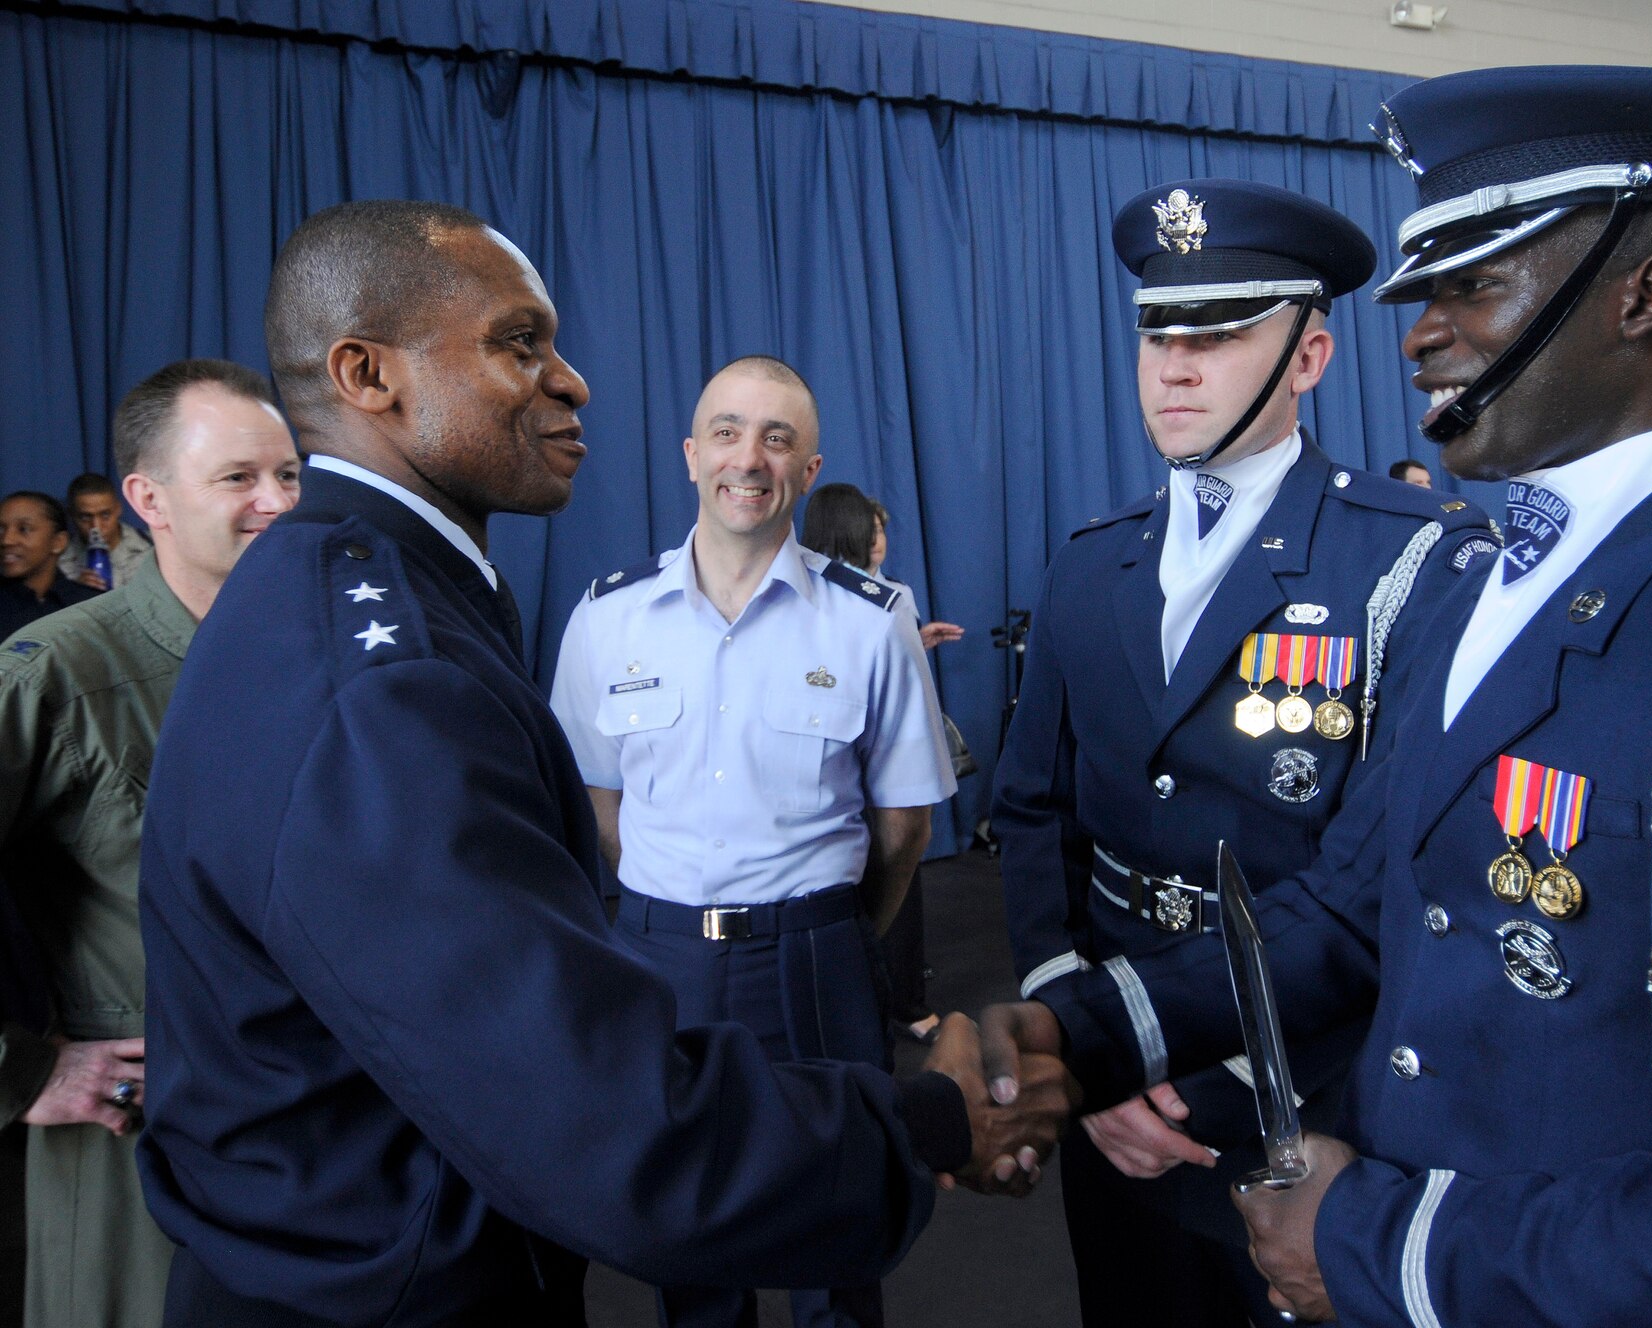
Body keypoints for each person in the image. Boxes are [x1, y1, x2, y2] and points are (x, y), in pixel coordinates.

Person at [982, 67, 1652, 1325]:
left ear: (1644, 294)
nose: (1414, 332)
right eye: (1420, 290)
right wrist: (1080, 1034)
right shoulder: (1476, 587)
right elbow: (1353, 911)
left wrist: (1377, 1244)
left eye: (1470, 284)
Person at [137, 200, 1074, 1327]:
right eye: (517, 342)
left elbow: (901, 824)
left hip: (775, 975)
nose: (571, 381)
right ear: (367, 375)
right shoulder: (391, 676)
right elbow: (604, 1126)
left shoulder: (334, 598)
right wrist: (932, 1120)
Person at [989, 177, 1497, 1327]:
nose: (1173, 365)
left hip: (1298, 1096)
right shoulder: (1088, 562)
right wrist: (1078, 1033)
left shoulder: (1410, 563)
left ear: (1308, 357)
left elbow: (1386, 882)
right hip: (1110, 1093)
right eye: (1157, 334)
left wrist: (1168, 1072)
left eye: (1216, 335)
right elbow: (1031, 811)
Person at [552, 364, 956, 1328]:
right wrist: (675, 910)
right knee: (688, 1238)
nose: (749, 458)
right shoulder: (607, 619)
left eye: (777, 439)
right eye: (727, 433)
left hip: (817, 960)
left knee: (840, 1222)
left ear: (808, 469)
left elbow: (905, 823)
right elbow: (599, 803)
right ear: (692, 456)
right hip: (664, 961)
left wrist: (840, 933)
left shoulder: (871, 620)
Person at [0, 359, 299, 1328]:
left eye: (290, 475)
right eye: (238, 478)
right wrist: (24, 1069)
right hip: (140, 1143)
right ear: (146, 498)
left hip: (317, 1139)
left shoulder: (328, 656)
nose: (276, 502)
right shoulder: (57, 672)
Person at [800, 483, 961, 1047]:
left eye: (883, 529)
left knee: (885, 868)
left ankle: (897, 995)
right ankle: (881, 995)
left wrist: (915, 640)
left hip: (858, 759)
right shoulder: (818, 594)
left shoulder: (886, 597)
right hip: (845, 760)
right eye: (873, 529)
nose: (881, 540)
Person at [0, 491, 101, 640]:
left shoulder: (90, 606)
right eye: (1, 530)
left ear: (58, 542)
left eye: (24, 529)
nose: (6, 540)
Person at [58, 472, 154, 590]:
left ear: (118, 509)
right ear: (71, 515)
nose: (96, 526)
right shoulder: (59, 560)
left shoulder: (153, 547)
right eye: (85, 517)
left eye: (105, 515)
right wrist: (75, 592)